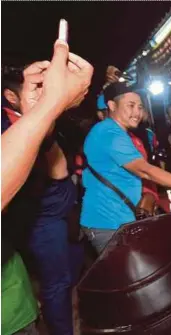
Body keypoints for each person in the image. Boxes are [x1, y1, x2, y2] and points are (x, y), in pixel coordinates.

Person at [2, 40, 93, 335]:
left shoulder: (23, 121)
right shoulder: (9, 126)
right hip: (41, 219)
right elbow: (57, 171)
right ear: (8, 96)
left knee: (66, 278)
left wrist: (40, 113)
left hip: (12, 292)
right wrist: (49, 106)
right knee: (57, 283)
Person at [80, 83, 171, 253]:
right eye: (130, 106)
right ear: (112, 105)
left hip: (120, 218)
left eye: (140, 107)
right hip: (107, 223)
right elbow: (144, 170)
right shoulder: (109, 133)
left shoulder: (119, 133)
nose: (137, 112)